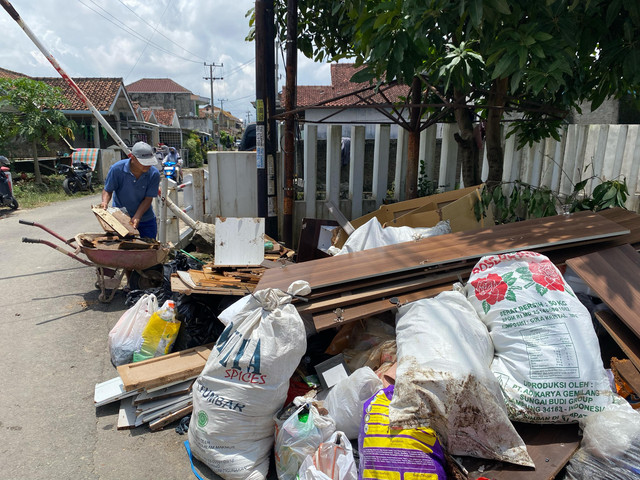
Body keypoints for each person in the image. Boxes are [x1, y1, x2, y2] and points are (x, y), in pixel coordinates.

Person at [100, 141, 160, 239]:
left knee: (149, 248)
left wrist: (137, 217)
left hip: (146, 219)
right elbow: (108, 190)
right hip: (121, 218)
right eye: (144, 162)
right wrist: (104, 202)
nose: (148, 165)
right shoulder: (117, 169)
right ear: (132, 157)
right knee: (123, 249)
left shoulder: (154, 174)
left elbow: (148, 199)